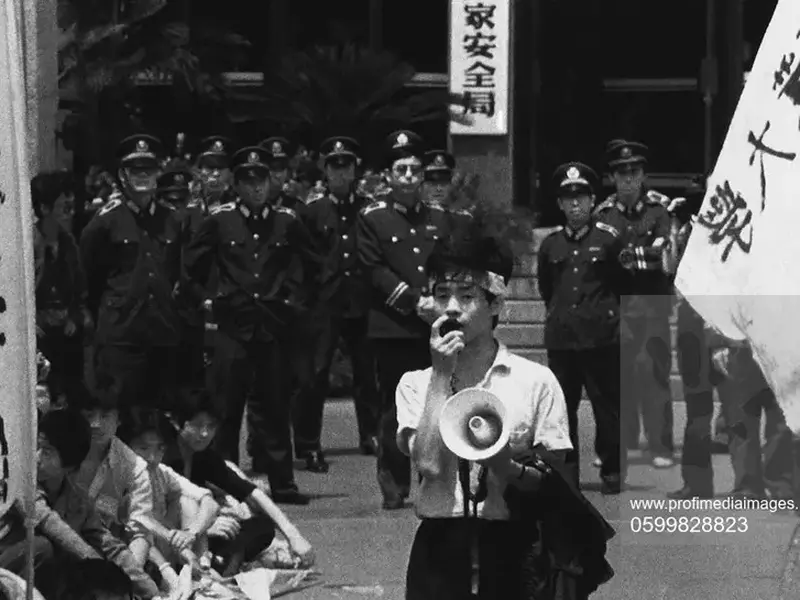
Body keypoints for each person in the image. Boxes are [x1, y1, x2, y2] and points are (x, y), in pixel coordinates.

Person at [396, 222, 574, 599]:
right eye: (442, 295)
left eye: (467, 295)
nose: (452, 309)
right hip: (440, 548)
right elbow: (427, 465)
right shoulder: (415, 383)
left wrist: (506, 466)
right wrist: (442, 375)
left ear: (495, 303)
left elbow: (557, 476)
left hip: (514, 544)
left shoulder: (535, 380)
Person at [183, 146, 318, 504]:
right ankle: (227, 482)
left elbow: (314, 265)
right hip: (232, 325)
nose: (256, 188)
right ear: (237, 184)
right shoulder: (219, 220)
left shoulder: (287, 220)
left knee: (274, 407)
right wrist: (207, 300)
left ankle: (283, 484)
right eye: (248, 180)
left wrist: (296, 302)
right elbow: (190, 267)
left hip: (272, 326)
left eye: (262, 180)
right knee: (226, 408)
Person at [292, 136, 380, 472]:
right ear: (325, 170)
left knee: (366, 372)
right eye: (334, 165)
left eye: (347, 165)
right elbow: (304, 257)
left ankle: (370, 434)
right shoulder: (312, 211)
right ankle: (308, 443)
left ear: (356, 169)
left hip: (361, 298)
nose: (341, 172)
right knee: (314, 375)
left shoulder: (369, 209)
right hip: (323, 302)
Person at [537, 162, 626, 494]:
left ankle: (612, 468)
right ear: (559, 204)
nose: (575, 205)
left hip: (601, 337)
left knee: (607, 408)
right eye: (568, 199)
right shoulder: (550, 245)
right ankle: (566, 471)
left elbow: (621, 283)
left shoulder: (608, 240)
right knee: (562, 409)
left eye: (582, 198)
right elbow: (548, 288)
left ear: (592, 202)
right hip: (563, 339)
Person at [163, 388, 315, 576]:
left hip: (200, 534)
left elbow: (249, 491)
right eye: (197, 426)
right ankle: (221, 564)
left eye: (211, 426)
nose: (204, 434)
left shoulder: (203, 455)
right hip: (170, 536)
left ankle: (227, 561)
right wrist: (205, 529)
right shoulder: (164, 457)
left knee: (262, 526)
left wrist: (293, 535)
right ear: (177, 424)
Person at [79, 134, 182, 410]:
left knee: (159, 417)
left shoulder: (172, 219)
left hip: (161, 333)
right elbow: (88, 278)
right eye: (135, 170)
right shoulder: (104, 222)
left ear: (159, 172)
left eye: (148, 169)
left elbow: (177, 271)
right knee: (121, 415)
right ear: (122, 175)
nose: (143, 176)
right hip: (120, 335)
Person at [594, 139, 675, 468]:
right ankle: (622, 444)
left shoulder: (659, 210)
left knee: (654, 375)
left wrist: (626, 257)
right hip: (618, 307)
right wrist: (638, 256)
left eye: (635, 172)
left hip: (653, 304)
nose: (629, 179)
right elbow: (600, 260)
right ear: (612, 177)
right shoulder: (603, 212)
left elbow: (663, 256)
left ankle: (660, 446)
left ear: (643, 175)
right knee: (620, 376)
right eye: (621, 173)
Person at [34, 408, 160, 598]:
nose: (36, 458)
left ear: (70, 464)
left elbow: (108, 545)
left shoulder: (79, 500)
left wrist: (150, 591)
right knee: (44, 548)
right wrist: (101, 569)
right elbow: (49, 522)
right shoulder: (23, 485)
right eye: (36, 448)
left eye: (47, 452)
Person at [117, 407, 220, 594]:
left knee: (187, 501)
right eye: (143, 448)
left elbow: (208, 500)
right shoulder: (120, 478)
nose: (152, 458)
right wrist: (168, 570)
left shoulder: (162, 472)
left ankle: (199, 567)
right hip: (143, 556)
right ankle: (175, 579)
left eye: (160, 448)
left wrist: (191, 533)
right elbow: (137, 526)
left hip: (174, 547)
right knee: (138, 534)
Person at [67, 377, 156, 568]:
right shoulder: (60, 451)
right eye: (89, 415)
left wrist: (130, 579)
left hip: (107, 553)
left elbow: (139, 530)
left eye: (106, 416)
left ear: (119, 419)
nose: (96, 424)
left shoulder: (134, 467)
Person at [31, 171, 90, 404]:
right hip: (39, 336)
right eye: (64, 206)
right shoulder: (30, 243)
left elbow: (80, 290)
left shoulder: (68, 243)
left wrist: (75, 317)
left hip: (65, 334)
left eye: (71, 205)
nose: (71, 211)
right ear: (44, 208)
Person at [260, 137, 304, 212]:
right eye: (272, 168)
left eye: (282, 167)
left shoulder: (296, 202)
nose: (278, 175)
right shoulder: (250, 201)